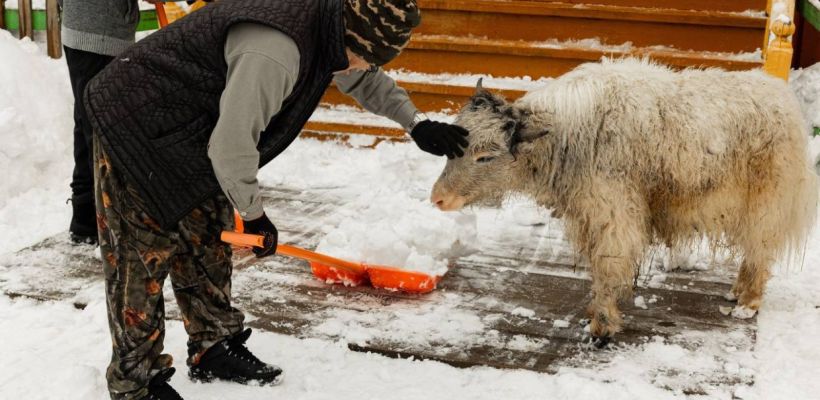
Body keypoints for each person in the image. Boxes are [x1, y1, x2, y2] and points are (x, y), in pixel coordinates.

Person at [83, 0, 468, 399]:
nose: (358, 68)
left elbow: (362, 77)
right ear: (349, 36)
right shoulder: (276, 51)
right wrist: (253, 215)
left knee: (208, 237)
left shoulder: (332, 25)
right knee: (141, 255)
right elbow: (232, 147)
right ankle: (136, 381)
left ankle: (213, 347)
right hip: (135, 122)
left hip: (189, 127)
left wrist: (416, 123)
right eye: (363, 57)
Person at [60, 0, 162, 244]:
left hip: (88, 29)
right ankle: (106, 221)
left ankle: (86, 221)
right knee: (101, 129)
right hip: (99, 35)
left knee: (88, 122)